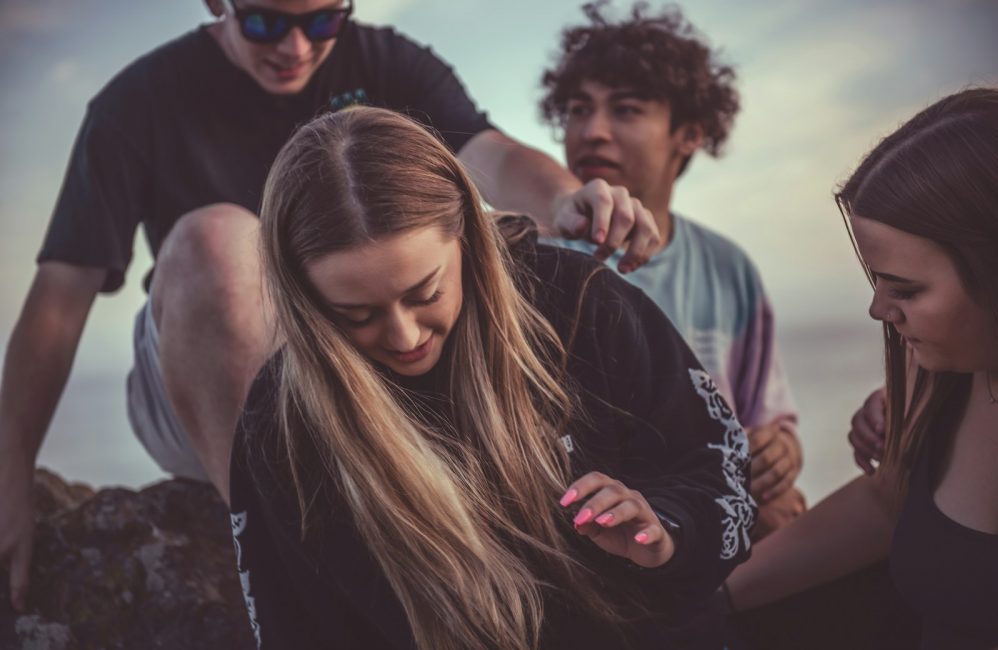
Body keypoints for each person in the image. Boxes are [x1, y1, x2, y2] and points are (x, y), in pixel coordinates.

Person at [0, 0, 664, 613]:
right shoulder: (136, 104)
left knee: (484, 233)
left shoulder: (386, 62)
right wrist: (11, 467)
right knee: (220, 242)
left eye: (321, 21)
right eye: (264, 22)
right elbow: (60, 299)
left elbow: (494, 156)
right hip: (203, 379)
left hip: (366, 359)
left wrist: (567, 199)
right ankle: (292, 556)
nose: (294, 46)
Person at [228, 106, 754, 649]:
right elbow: (292, 627)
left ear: (468, 238)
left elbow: (721, 472)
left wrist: (664, 532)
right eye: (355, 315)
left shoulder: (578, 303)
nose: (404, 337)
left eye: (425, 293)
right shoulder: (279, 423)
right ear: (303, 300)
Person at [726, 87, 998, 649]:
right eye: (875, 280)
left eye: (905, 288)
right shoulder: (938, 373)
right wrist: (701, 606)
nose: (878, 309)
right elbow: (885, 501)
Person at [539, 1, 804, 539]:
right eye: (578, 109)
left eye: (627, 110)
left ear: (689, 133)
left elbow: (766, 416)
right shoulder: (535, 262)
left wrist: (781, 450)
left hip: (705, 535)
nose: (593, 131)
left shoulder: (728, 268)